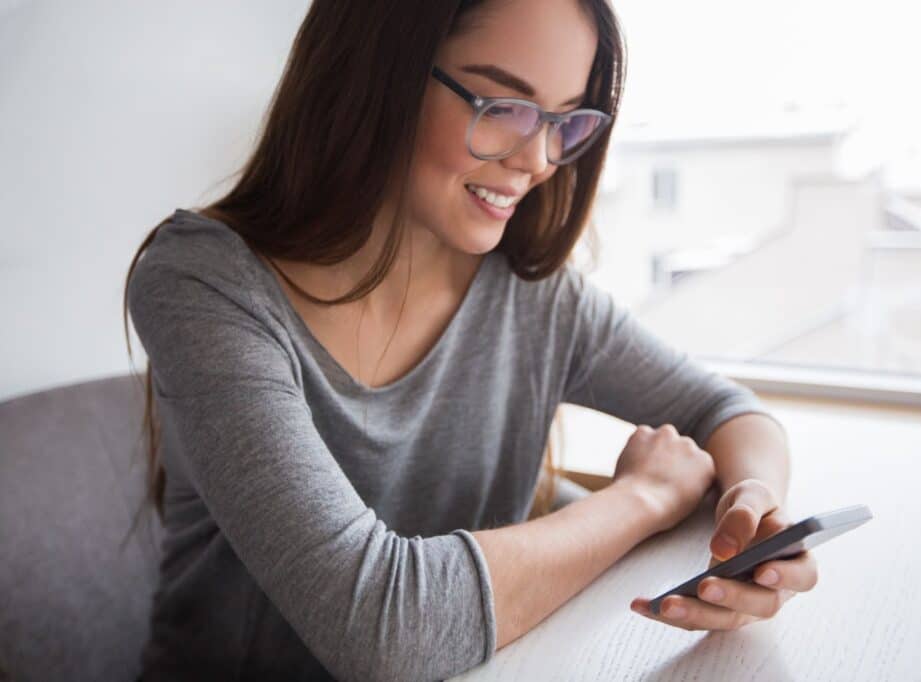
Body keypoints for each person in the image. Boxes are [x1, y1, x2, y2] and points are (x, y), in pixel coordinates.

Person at [122, 1, 818, 680]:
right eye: (504, 106)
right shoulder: (204, 285)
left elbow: (728, 410)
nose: (539, 160)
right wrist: (643, 497)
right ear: (376, 75)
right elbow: (382, 634)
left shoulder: (535, 297)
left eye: (564, 120)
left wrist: (754, 515)